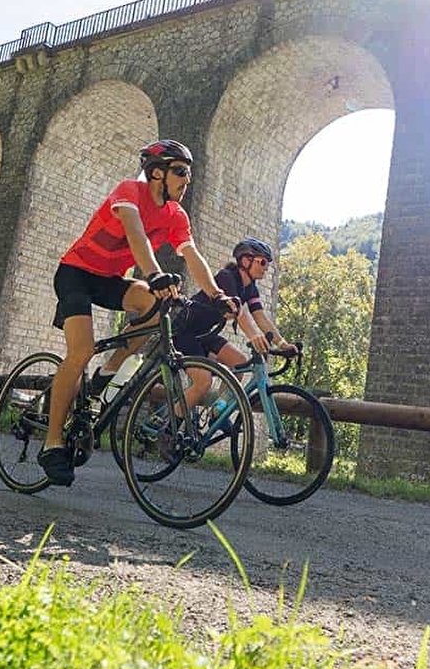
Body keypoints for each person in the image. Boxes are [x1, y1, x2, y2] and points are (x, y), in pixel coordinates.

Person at [39, 139, 235, 486]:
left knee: (157, 306)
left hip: (110, 280)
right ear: (156, 173)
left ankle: (109, 370)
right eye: (180, 172)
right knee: (81, 350)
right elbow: (136, 235)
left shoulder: (175, 215)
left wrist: (216, 295)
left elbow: (192, 256)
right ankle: (53, 443)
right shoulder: (129, 191)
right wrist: (155, 273)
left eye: (188, 174)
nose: (186, 180)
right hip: (76, 274)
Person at [172, 237, 298, 415]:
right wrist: (253, 336)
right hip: (184, 332)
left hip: (205, 334)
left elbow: (260, 317)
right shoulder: (226, 277)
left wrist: (283, 344)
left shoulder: (251, 288)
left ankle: (217, 412)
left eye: (267, 264)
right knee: (203, 382)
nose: (266, 267)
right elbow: (238, 311)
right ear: (246, 260)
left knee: (239, 362)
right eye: (262, 262)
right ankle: (169, 427)